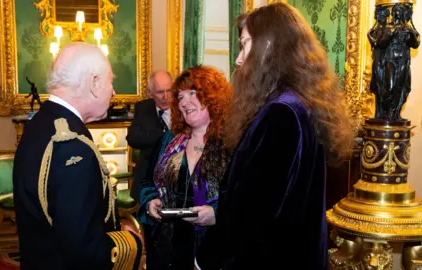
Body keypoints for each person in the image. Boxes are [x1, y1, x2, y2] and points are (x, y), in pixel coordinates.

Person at [195, 3, 353, 269]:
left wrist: (207, 258)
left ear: (267, 47)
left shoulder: (280, 114)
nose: (238, 58)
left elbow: (252, 212)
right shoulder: (301, 105)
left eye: (244, 45)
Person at [13, 42, 142, 270]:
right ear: (94, 83)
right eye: (111, 81)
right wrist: (132, 244)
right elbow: (83, 250)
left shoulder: (42, 123)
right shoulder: (71, 145)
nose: (114, 91)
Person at [138, 66, 232, 270]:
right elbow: (147, 182)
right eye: (180, 97)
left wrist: (217, 214)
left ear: (213, 96)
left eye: (192, 93)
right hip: (168, 249)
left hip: (215, 250)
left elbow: (250, 199)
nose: (184, 102)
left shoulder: (233, 143)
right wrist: (150, 201)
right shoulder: (170, 140)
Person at [127, 70, 174, 205]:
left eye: (169, 91)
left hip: (174, 179)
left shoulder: (183, 106)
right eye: (160, 92)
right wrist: (164, 135)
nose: (166, 96)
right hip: (147, 178)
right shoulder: (143, 108)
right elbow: (133, 139)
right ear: (150, 93)